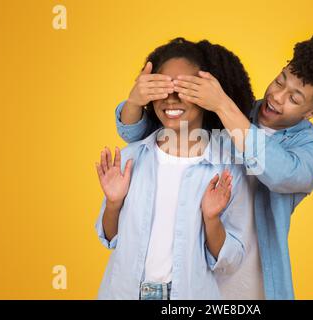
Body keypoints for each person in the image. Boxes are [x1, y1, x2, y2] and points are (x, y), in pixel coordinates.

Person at [114, 33, 313, 299]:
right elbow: (139, 133)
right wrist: (136, 100)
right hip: (192, 276)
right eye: (279, 81)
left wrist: (222, 105)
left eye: (295, 99)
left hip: (248, 283)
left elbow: (281, 174)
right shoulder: (238, 105)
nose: (277, 97)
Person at [94, 38, 263, 299]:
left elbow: (230, 260)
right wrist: (113, 203)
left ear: (205, 95)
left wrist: (212, 219)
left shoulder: (228, 171)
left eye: (184, 89)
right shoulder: (131, 159)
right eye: (162, 89)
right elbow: (110, 238)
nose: (171, 100)